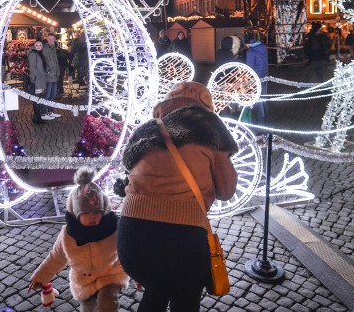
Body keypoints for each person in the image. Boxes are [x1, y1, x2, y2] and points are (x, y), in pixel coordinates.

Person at [117, 82, 238, 312]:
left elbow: (129, 174)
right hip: (183, 239)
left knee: (157, 289)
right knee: (185, 299)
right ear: (205, 105)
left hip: (132, 238)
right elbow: (226, 190)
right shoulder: (209, 129)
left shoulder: (145, 129)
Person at [29, 167, 128, 312]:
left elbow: (129, 250)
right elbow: (56, 258)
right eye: (86, 212)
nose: (92, 217)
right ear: (76, 213)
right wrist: (40, 277)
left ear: (104, 209)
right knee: (88, 309)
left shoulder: (114, 228)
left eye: (96, 212)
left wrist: (140, 274)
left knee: (107, 304)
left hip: (111, 274)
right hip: (84, 282)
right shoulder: (69, 235)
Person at [244, 33, 268, 122]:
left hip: (256, 78)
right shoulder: (263, 47)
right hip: (265, 76)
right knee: (264, 98)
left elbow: (249, 68)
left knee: (258, 100)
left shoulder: (250, 52)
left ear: (248, 42)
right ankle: (265, 118)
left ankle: (261, 120)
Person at [27, 39, 50, 122]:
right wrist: (39, 75)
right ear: (34, 45)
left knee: (39, 98)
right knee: (36, 99)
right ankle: (37, 118)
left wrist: (46, 71)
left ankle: (37, 117)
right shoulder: (33, 54)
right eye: (37, 45)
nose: (38, 46)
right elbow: (32, 67)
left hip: (41, 79)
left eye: (40, 45)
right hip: (37, 80)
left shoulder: (40, 54)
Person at [42, 34, 62, 118]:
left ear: (54, 40)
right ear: (47, 39)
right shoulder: (45, 48)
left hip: (54, 74)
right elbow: (46, 61)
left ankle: (50, 111)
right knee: (47, 94)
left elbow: (55, 61)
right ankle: (43, 113)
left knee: (53, 94)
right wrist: (48, 71)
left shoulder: (53, 48)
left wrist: (58, 71)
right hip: (49, 75)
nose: (51, 40)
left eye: (52, 39)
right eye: (49, 39)